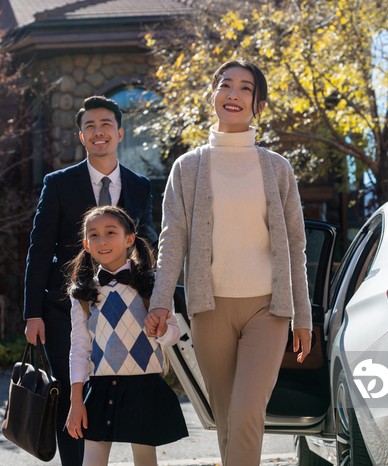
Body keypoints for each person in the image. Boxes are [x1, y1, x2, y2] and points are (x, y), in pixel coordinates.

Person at [145, 59, 313, 466]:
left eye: (245, 88)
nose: (233, 94)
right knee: (226, 421)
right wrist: (160, 300)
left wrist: (302, 316)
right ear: (213, 95)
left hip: (267, 309)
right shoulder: (188, 167)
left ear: (258, 104)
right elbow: (173, 239)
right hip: (210, 308)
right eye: (226, 85)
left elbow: (295, 245)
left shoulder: (277, 168)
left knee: (246, 412)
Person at [24, 96, 158, 466]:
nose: (98, 133)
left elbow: (147, 245)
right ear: (81, 136)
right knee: (72, 393)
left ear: (119, 132)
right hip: (61, 307)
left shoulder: (140, 185)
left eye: (105, 125)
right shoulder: (58, 184)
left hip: (125, 307)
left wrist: (157, 300)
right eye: (90, 127)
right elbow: (39, 249)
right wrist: (31, 312)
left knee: (125, 389)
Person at [64, 205, 188, 466]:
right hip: (98, 387)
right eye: (94, 235)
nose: (103, 240)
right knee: (92, 461)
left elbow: (174, 334)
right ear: (86, 244)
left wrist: (163, 329)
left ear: (129, 239)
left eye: (111, 232)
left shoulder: (154, 285)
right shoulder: (83, 294)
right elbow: (79, 349)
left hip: (144, 386)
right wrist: (76, 400)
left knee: (145, 460)